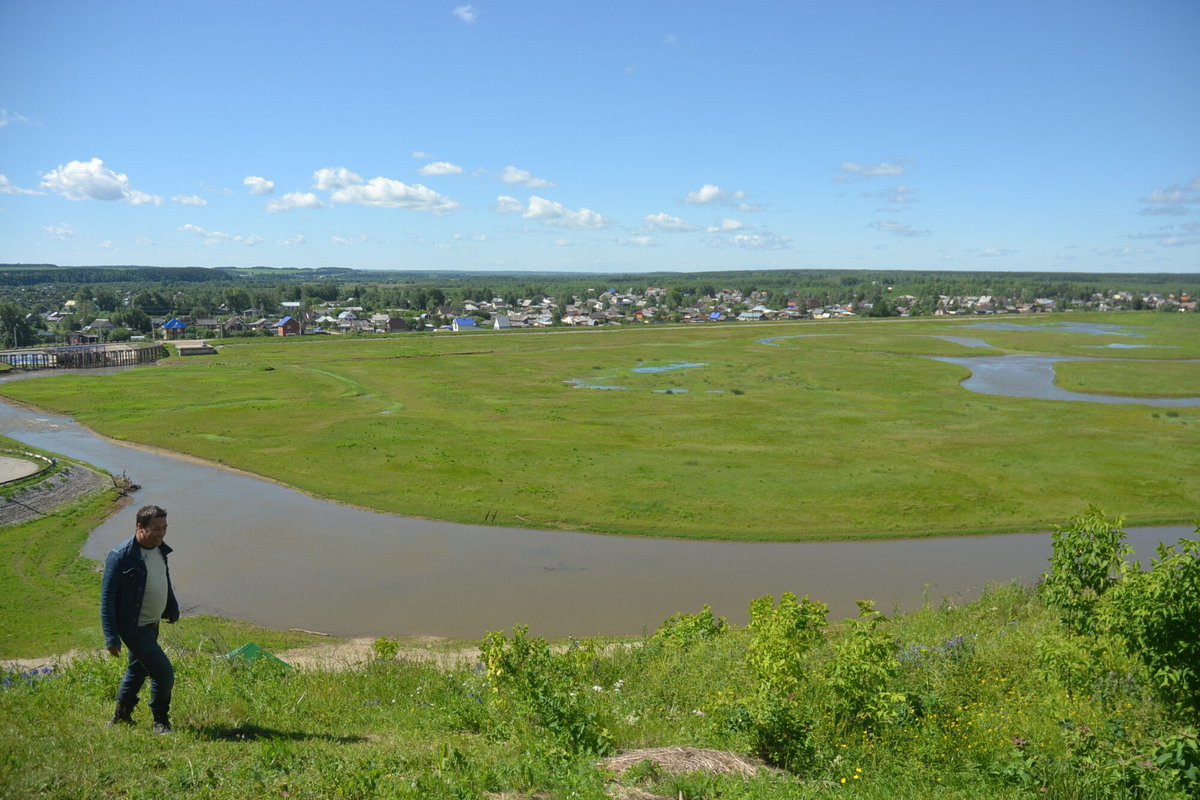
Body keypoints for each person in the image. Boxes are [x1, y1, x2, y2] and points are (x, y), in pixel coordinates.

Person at [100, 504, 180, 734]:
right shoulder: (121, 556)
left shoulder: (159, 549)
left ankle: (121, 716)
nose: (161, 533)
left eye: (164, 527)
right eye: (156, 528)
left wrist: (171, 608)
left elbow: (163, 580)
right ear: (140, 527)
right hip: (134, 628)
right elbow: (107, 598)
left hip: (152, 625)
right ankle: (160, 721)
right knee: (163, 674)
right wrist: (111, 637)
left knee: (136, 671)